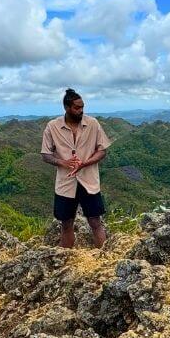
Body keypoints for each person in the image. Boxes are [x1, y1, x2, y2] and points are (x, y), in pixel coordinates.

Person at [40, 88, 113, 248]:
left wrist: (84, 164)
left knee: (95, 222)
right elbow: (45, 155)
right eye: (77, 108)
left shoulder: (93, 124)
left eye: (82, 107)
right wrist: (63, 163)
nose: (81, 111)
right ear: (66, 108)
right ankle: (65, 258)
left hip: (89, 182)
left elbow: (102, 151)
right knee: (66, 224)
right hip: (66, 184)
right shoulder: (52, 127)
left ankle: (106, 257)